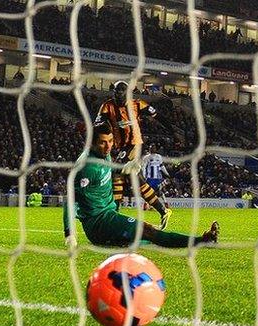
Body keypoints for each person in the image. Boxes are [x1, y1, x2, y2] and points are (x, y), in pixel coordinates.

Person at [63, 123, 218, 248]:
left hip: (109, 214)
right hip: (98, 223)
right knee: (147, 230)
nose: (108, 146)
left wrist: (122, 168)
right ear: (91, 143)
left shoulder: (105, 154)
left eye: (110, 141)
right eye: (103, 142)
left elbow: (108, 169)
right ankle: (202, 240)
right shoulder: (86, 167)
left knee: (144, 238)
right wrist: (69, 233)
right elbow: (69, 198)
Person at [95, 81, 172, 230]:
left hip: (134, 144)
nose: (116, 94)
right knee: (132, 179)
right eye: (115, 92)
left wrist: (172, 130)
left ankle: (113, 214)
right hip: (119, 147)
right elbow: (98, 123)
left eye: (120, 92)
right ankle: (163, 211)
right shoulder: (107, 106)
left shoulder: (137, 104)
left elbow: (157, 116)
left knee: (117, 171)